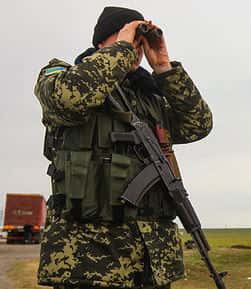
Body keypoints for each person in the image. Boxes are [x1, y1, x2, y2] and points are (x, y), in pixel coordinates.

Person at [35, 6, 213, 289]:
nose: (137, 49)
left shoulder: (149, 97)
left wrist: (164, 68)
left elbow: (198, 124)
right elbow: (69, 99)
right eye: (129, 38)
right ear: (103, 42)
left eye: (140, 43)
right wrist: (122, 48)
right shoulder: (60, 76)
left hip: (152, 257)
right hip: (89, 257)